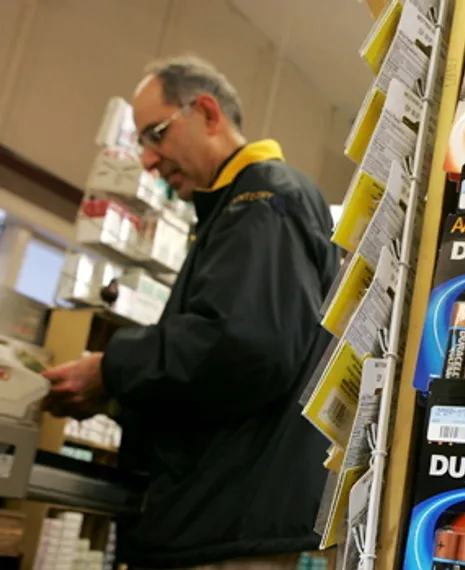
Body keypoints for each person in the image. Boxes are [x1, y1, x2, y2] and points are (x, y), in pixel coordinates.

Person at [41, 55, 339, 569]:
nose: (148, 160)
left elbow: (245, 346)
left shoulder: (264, 198)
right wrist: (117, 397)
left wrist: (112, 368)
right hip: (216, 517)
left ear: (207, 112)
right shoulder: (238, 209)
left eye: (155, 135)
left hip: (227, 525)